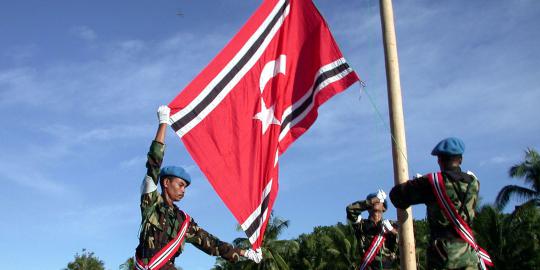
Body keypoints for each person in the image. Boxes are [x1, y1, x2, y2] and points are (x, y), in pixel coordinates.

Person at [134, 105, 262, 270]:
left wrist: (245, 253)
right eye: (180, 184)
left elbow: (211, 244)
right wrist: (163, 123)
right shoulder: (151, 202)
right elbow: (154, 163)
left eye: (185, 187)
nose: (183, 190)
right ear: (166, 183)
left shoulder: (184, 222)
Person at [389, 137, 492, 270]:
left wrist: (417, 184)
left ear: (439, 160)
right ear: (460, 159)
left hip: (443, 254)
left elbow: (397, 197)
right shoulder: (473, 183)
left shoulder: (432, 182)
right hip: (468, 251)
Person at [346, 189, 399, 270]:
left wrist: (392, 231)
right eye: (373, 199)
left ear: (384, 207)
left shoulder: (393, 225)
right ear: (367, 207)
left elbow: (407, 242)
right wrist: (372, 201)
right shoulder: (360, 224)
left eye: (379, 201)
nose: (376, 201)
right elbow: (350, 210)